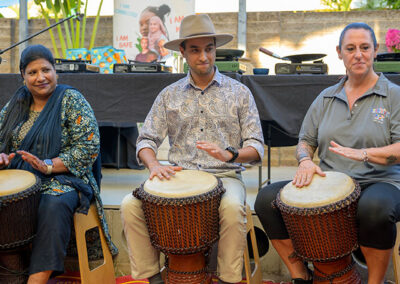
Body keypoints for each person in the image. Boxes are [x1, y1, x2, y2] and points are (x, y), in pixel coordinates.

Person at [121, 14, 264, 284]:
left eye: (208, 49)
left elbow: (256, 147)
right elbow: (146, 140)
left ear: (215, 50)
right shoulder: (169, 94)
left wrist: (229, 154)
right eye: (195, 50)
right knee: (130, 205)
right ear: (183, 53)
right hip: (179, 176)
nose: (204, 57)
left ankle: (227, 279)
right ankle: (153, 278)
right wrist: (154, 165)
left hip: (225, 176)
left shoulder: (239, 93)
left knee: (234, 208)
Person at [255, 22, 400, 284]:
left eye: (365, 47)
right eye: (351, 48)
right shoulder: (325, 97)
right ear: (339, 52)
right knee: (267, 199)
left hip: (380, 182)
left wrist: (364, 154)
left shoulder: (393, 95)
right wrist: (304, 161)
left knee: (374, 208)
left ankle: (374, 282)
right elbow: (306, 140)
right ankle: (301, 276)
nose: (358, 54)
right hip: (330, 182)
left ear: (375, 51)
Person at [0, 44, 118, 284]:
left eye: (46, 70)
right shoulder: (17, 103)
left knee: (52, 204)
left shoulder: (71, 99)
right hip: (20, 177)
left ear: (56, 71)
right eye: (32, 72)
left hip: (63, 178)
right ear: (23, 76)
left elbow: (88, 148)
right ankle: (10, 272)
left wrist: (48, 165)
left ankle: (37, 279)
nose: (40, 77)